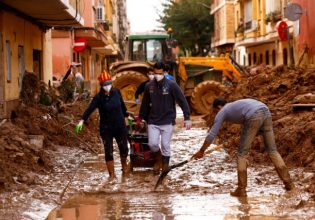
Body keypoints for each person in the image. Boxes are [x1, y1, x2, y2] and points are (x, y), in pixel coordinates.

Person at [193, 98, 295, 197]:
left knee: (241, 154)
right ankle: (289, 184)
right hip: (265, 110)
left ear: (218, 107)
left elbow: (212, 134)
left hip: (254, 115)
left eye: (215, 110)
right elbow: (252, 125)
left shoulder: (222, 111)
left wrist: (202, 151)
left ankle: (241, 189)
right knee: (273, 150)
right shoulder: (235, 106)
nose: (216, 113)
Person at [74, 71, 129, 181]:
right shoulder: (98, 98)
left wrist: (128, 117)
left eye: (108, 83)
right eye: (104, 84)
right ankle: (112, 175)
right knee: (108, 150)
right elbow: (90, 109)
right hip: (106, 129)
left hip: (120, 127)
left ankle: (124, 168)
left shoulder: (117, 92)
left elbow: (122, 106)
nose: (107, 86)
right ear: (101, 85)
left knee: (124, 149)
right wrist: (82, 120)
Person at [139, 61, 192, 174]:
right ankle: (158, 159)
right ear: (153, 72)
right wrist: (141, 118)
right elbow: (145, 104)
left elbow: (182, 100)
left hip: (167, 120)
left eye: (159, 73)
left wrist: (187, 117)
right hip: (153, 120)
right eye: (155, 73)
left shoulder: (171, 85)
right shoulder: (149, 86)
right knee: (152, 144)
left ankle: (165, 165)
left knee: (165, 145)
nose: (157, 75)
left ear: (163, 72)